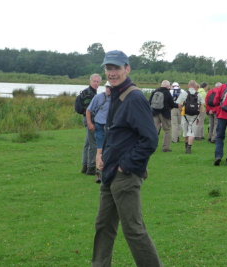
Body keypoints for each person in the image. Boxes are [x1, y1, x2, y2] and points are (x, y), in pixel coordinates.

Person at [92, 50, 162, 267]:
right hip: (109, 172)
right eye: (108, 68)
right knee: (104, 226)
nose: (112, 73)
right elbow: (117, 132)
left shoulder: (134, 98)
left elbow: (150, 139)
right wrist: (102, 154)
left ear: (127, 69)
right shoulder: (115, 93)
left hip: (125, 175)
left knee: (134, 230)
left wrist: (126, 165)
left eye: (116, 68)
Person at [86, 81, 111, 182]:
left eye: (111, 87)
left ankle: (108, 171)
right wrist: (90, 124)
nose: (109, 89)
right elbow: (89, 110)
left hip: (111, 127)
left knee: (109, 150)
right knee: (99, 150)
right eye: (107, 87)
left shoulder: (117, 99)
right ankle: (98, 173)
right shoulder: (98, 97)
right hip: (100, 126)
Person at [149, 80, 178, 152]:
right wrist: (178, 105)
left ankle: (152, 147)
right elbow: (172, 104)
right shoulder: (167, 93)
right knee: (167, 130)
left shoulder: (155, 91)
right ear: (168, 86)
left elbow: (149, 102)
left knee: (154, 131)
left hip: (154, 113)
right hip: (165, 114)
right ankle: (166, 148)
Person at [81, 74, 101, 175]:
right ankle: (91, 168)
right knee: (93, 144)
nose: (96, 83)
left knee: (88, 143)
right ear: (90, 81)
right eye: (94, 81)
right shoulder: (89, 94)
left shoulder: (92, 93)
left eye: (98, 82)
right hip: (90, 120)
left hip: (88, 119)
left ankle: (84, 166)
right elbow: (88, 109)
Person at [176, 80, 204, 154]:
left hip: (185, 115)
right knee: (192, 132)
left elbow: (179, 104)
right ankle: (189, 147)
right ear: (195, 86)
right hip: (195, 116)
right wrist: (199, 115)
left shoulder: (184, 93)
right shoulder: (199, 95)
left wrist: (182, 111)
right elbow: (202, 106)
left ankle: (186, 145)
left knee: (185, 131)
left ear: (188, 86)